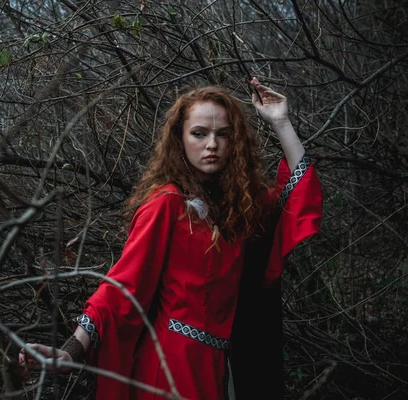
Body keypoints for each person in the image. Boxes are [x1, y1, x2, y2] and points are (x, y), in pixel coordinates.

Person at [19, 77, 323, 399]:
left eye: (224, 135)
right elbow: (123, 286)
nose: (212, 145)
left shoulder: (241, 208)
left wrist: (281, 121)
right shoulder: (167, 203)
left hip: (222, 367)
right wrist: (72, 349)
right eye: (199, 133)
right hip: (170, 367)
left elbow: (298, 200)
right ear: (180, 139)